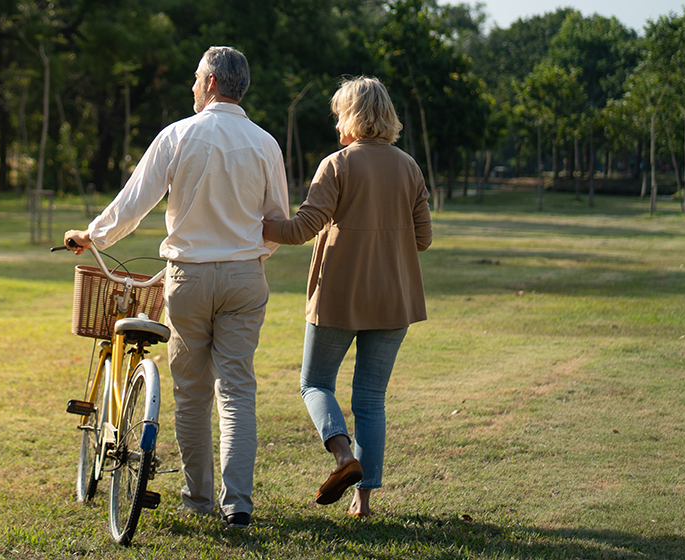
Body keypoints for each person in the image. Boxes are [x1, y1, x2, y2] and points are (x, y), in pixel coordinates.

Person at [65, 46, 289, 529]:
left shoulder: (179, 135)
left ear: (210, 83)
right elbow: (276, 223)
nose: (191, 86)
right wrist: (249, 256)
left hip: (188, 278)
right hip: (245, 277)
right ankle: (239, 504)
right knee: (237, 390)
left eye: (194, 79)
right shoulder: (266, 143)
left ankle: (198, 497)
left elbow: (133, 204)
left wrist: (93, 235)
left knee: (192, 394)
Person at [262, 76, 432, 518]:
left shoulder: (336, 165)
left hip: (338, 297)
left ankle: (343, 458)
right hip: (394, 300)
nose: (335, 121)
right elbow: (424, 238)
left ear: (352, 117)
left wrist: (259, 224)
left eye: (339, 112)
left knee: (314, 383)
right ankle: (363, 501)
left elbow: (301, 229)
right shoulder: (410, 167)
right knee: (371, 401)